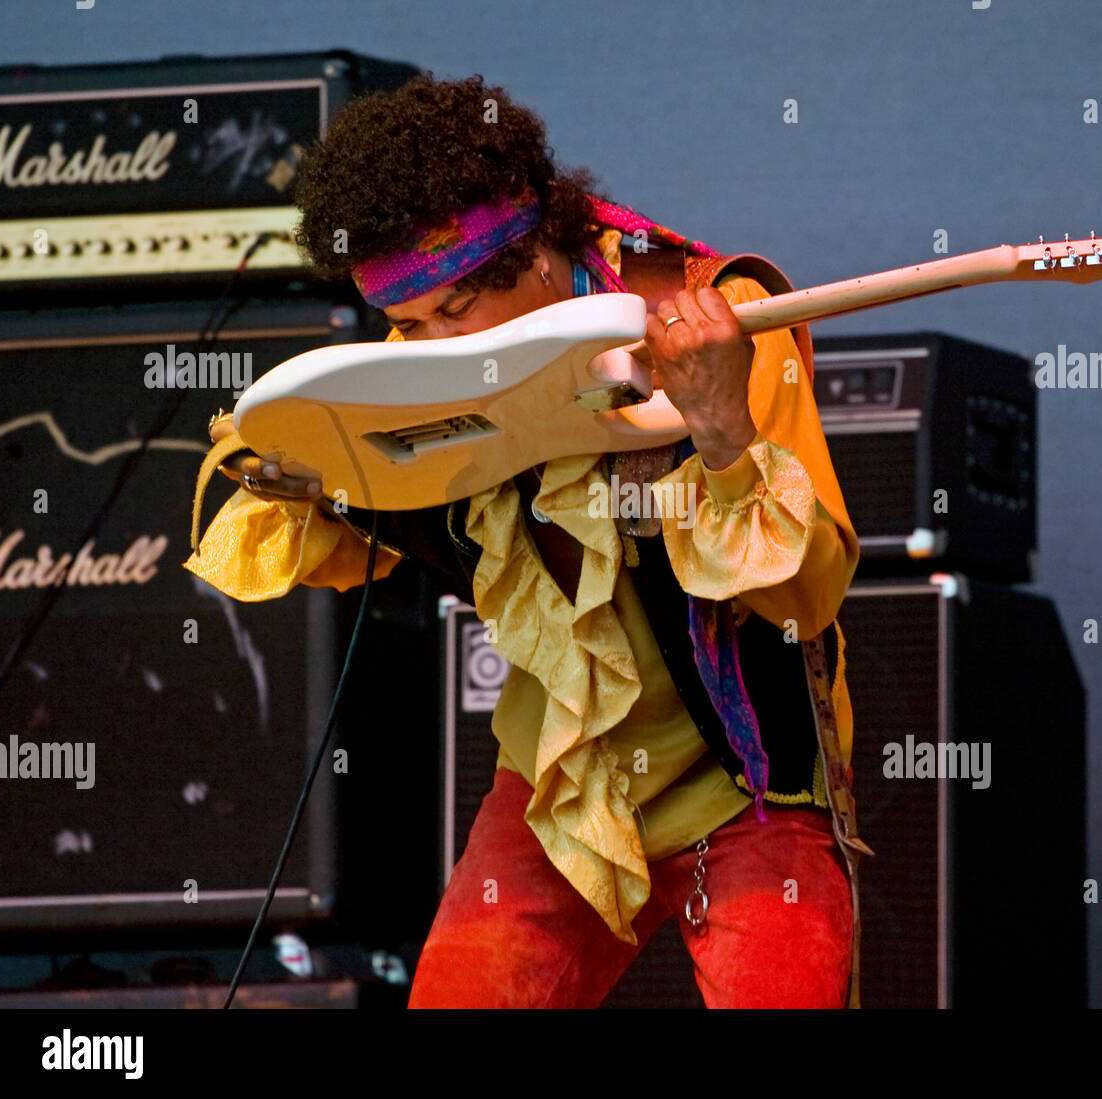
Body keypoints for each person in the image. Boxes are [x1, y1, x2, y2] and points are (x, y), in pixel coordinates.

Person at [185, 73, 862, 1008]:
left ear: (540, 254)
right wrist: (317, 477)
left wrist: (719, 430)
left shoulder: (719, 321)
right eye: (408, 324)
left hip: (744, 784)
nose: (425, 348)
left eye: (454, 315)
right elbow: (377, 537)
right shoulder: (413, 360)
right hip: (563, 781)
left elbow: (807, 598)